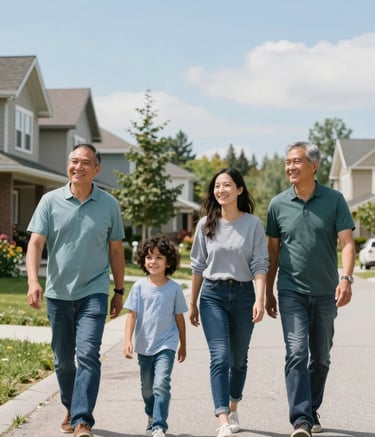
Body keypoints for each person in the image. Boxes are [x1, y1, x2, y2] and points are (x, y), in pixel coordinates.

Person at [26, 143, 125, 437]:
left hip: (94, 291)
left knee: (89, 354)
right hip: (58, 293)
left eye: (85, 162)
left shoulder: (109, 205)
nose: (77, 167)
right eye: (73, 161)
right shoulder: (50, 201)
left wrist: (118, 291)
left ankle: (82, 420)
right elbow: (35, 244)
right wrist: (33, 281)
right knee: (62, 359)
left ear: (97, 169)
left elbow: (116, 251)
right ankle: (71, 404)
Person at [265, 141, 355, 437]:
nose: (290, 167)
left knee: (321, 356)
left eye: (297, 161)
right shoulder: (277, 204)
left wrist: (346, 278)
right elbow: (273, 252)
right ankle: (301, 419)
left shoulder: (335, 200)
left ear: (313, 166)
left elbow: (347, 243)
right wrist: (268, 291)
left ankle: (311, 407)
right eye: (288, 161)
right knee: (296, 352)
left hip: (326, 292)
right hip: (291, 291)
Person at [189, 168, 269, 437]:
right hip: (213, 294)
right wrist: (193, 302)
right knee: (220, 356)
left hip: (245, 295)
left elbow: (259, 264)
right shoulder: (205, 224)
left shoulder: (253, 224)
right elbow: (198, 266)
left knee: (238, 358)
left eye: (227, 185)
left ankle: (234, 405)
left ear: (240, 190)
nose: (220, 190)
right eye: (217, 186)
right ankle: (222, 417)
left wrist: (261, 298)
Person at [124, 235, 187, 437]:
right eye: (149, 257)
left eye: (159, 257)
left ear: (169, 261)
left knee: (161, 384)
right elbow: (132, 317)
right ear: (143, 260)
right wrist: (127, 341)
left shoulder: (175, 289)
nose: (154, 261)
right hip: (144, 345)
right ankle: (151, 414)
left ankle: (159, 425)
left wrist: (182, 345)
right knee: (147, 390)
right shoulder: (139, 288)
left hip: (166, 345)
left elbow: (179, 320)